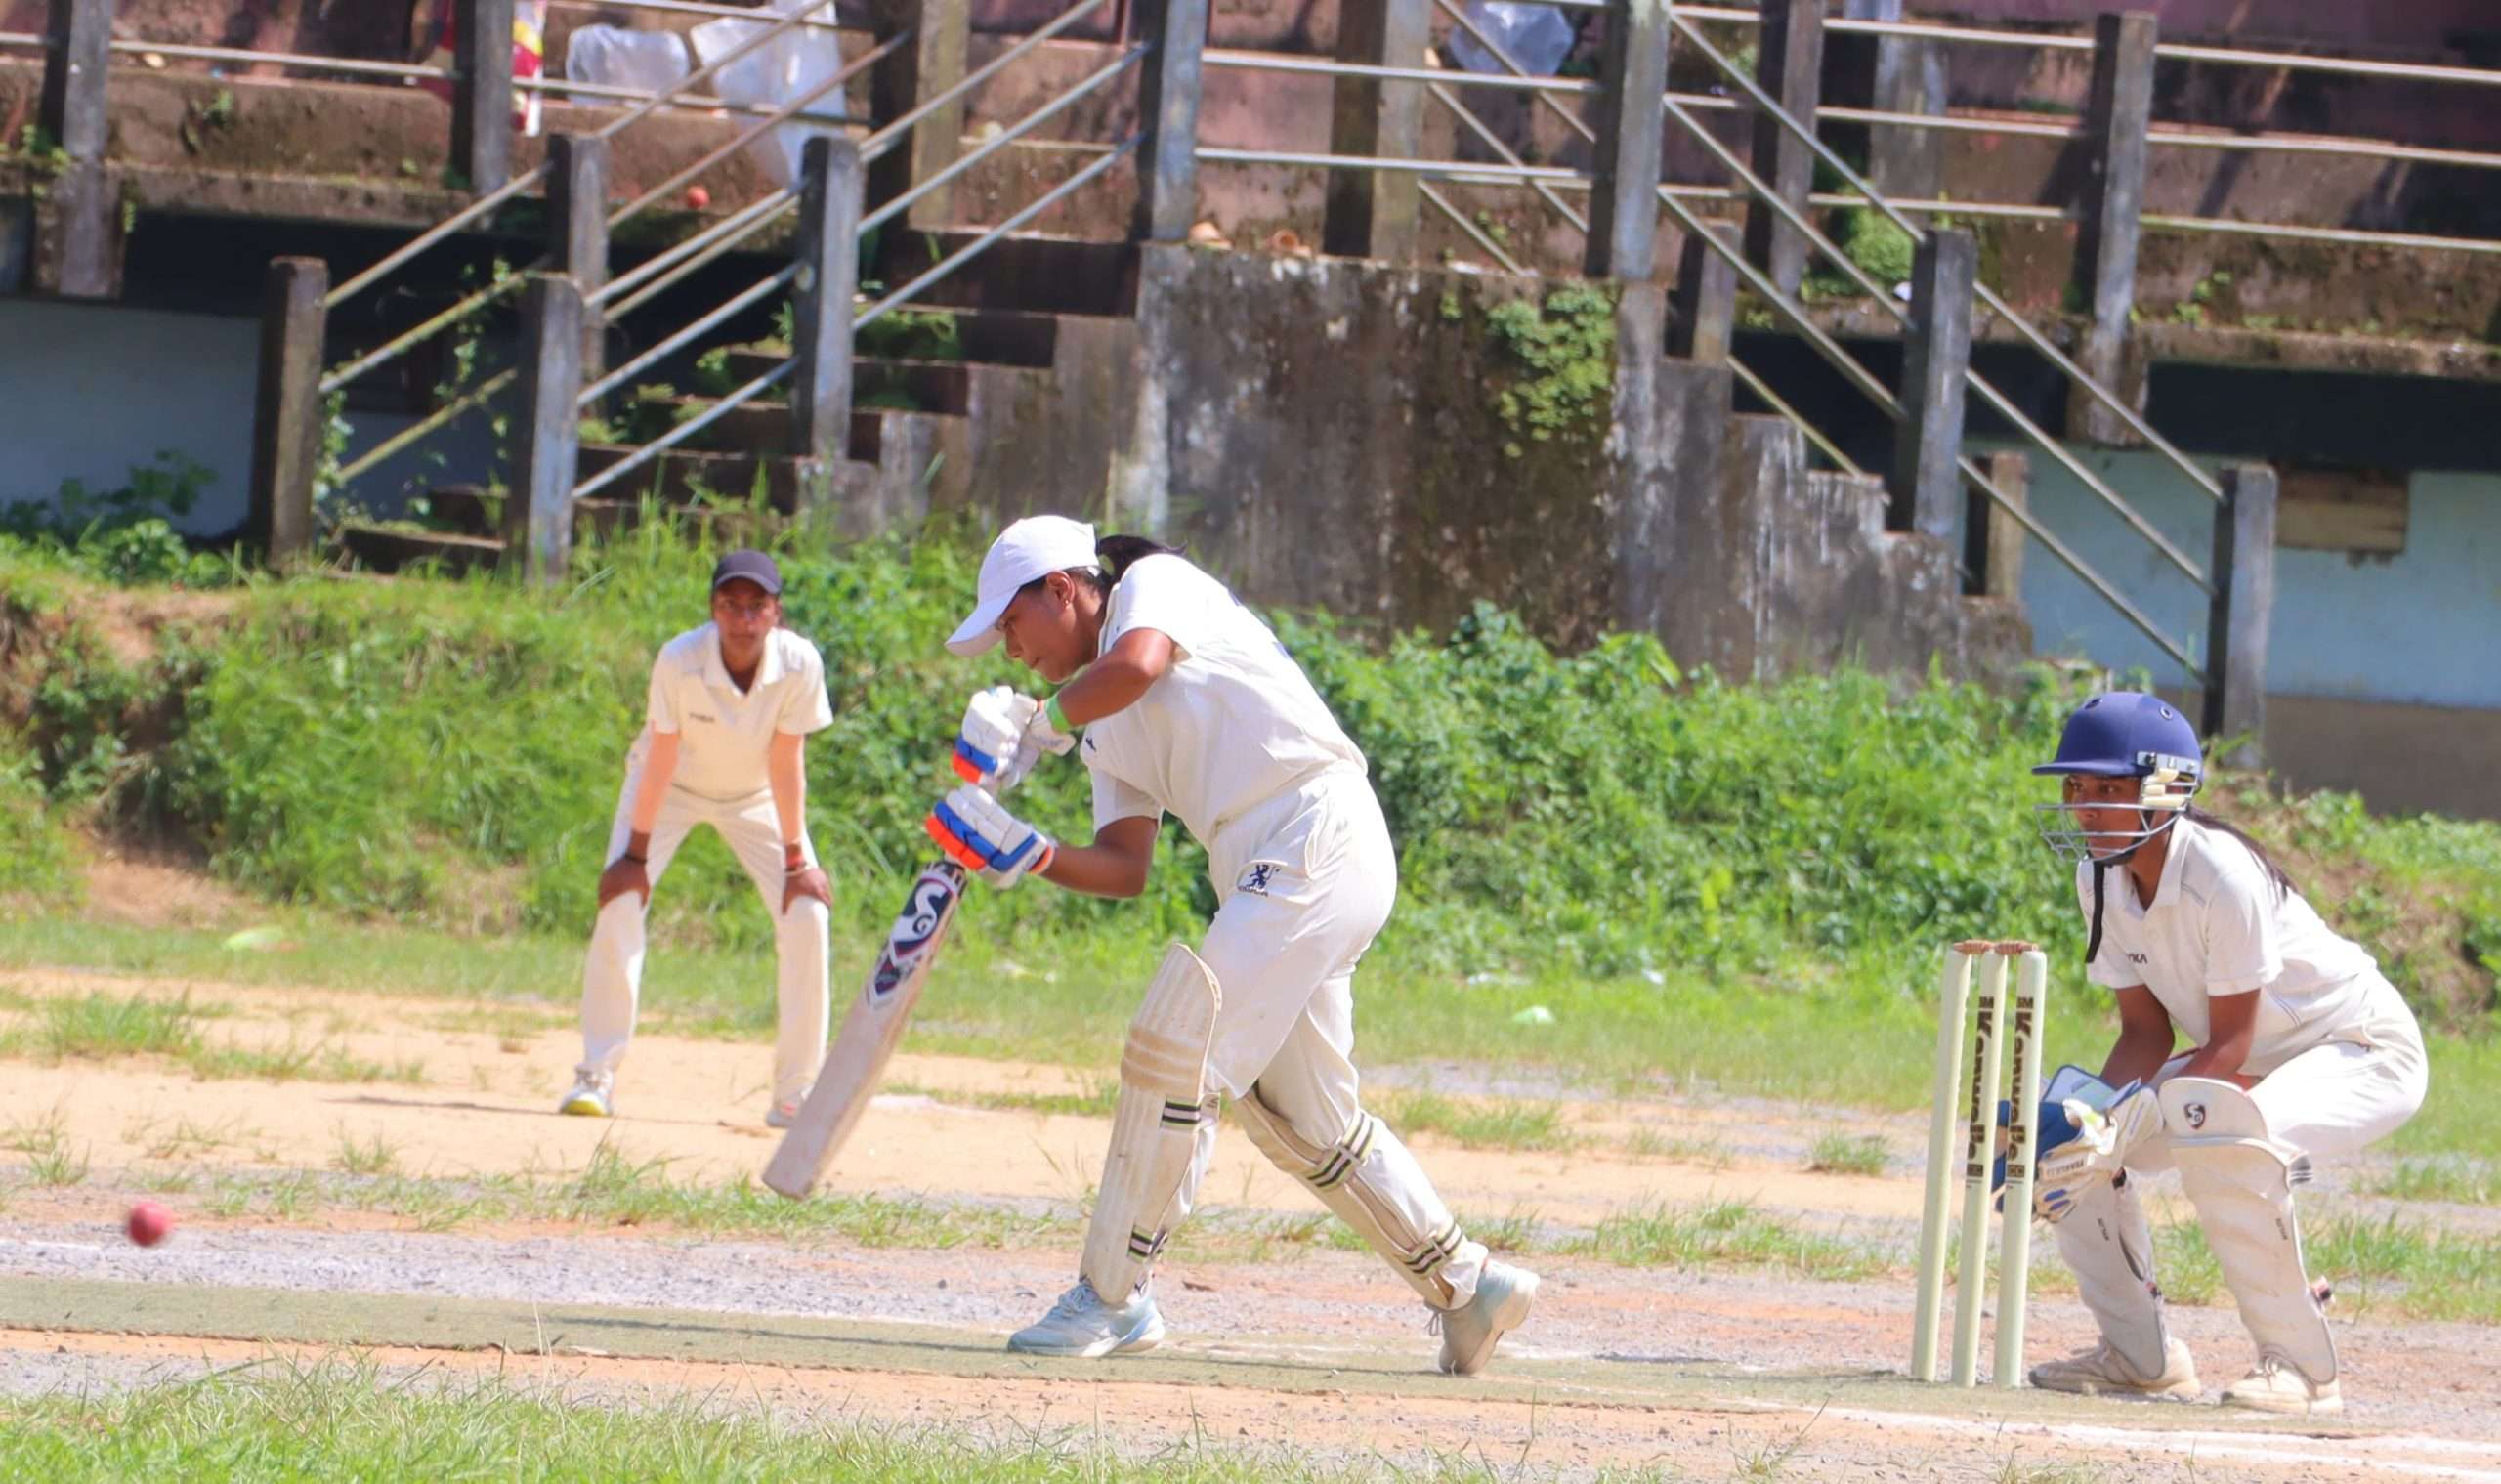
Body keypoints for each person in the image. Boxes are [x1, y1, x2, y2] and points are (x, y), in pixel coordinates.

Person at [921, 515, 1538, 1374]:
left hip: (1312, 824)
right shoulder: (1104, 728)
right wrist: (1028, 852)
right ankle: (1467, 1285)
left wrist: (1038, 721)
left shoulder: (1153, 586)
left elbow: (1135, 663)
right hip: (1266, 863)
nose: (1009, 648)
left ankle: (1113, 1295)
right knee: (1303, 1114)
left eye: (1010, 623)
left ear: (1063, 588)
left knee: (1179, 1045)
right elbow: (1125, 864)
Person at [2023, 691, 2427, 1415]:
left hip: (2362, 1049)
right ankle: (2140, 1356)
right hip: (2249, 1060)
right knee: (2069, 1139)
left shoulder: (2224, 874)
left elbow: (2231, 1048)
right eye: (2075, 787)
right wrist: (2089, 1126)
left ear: (2166, 789)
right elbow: (2146, 1034)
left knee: (2224, 1132)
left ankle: (2303, 1370)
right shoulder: (2100, 875)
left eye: (2108, 788)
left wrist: (2131, 1122)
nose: (2084, 806)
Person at [559, 549, 836, 1126]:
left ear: (775, 613)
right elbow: (661, 753)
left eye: (755, 605)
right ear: (713, 609)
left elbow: (787, 761)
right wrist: (633, 855)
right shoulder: (680, 660)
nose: (742, 618)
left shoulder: (799, 663)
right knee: (620, 902)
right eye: (729, 605)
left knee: (808, 910)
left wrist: (794, 860)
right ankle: (596, 1076)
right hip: (671, 789)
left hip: (757, 796)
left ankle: (795, 1095)